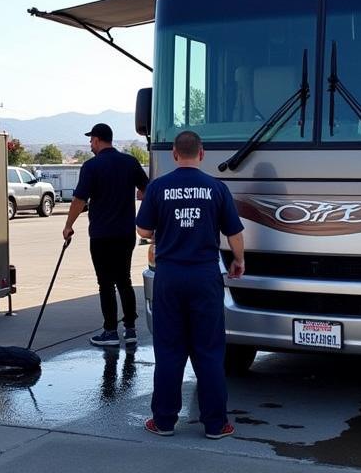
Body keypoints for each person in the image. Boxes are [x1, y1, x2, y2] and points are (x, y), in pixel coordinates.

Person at [135, 129, 245, 439]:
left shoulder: (158, 187)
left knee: (169, 351)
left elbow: (143, 229)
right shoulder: (216, 188)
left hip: (169, 277)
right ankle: (215, 424)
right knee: (209, 351)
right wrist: (239, 260)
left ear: (173, 154)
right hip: (204, 276)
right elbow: (234, 232)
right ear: (201, 154)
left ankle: (164, 421)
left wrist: (160, 232)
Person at [62, 122, 149, 347]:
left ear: (98, 140)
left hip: (101, 236)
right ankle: (130, 330)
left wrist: (68, 225)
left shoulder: (91, 166)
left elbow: (79, 200)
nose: (90, 144)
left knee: (105, 284)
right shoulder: (130, 162)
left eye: (91, 140)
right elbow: (147, 189)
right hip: (126, 234)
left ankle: (110, 332)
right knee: (125, 281)